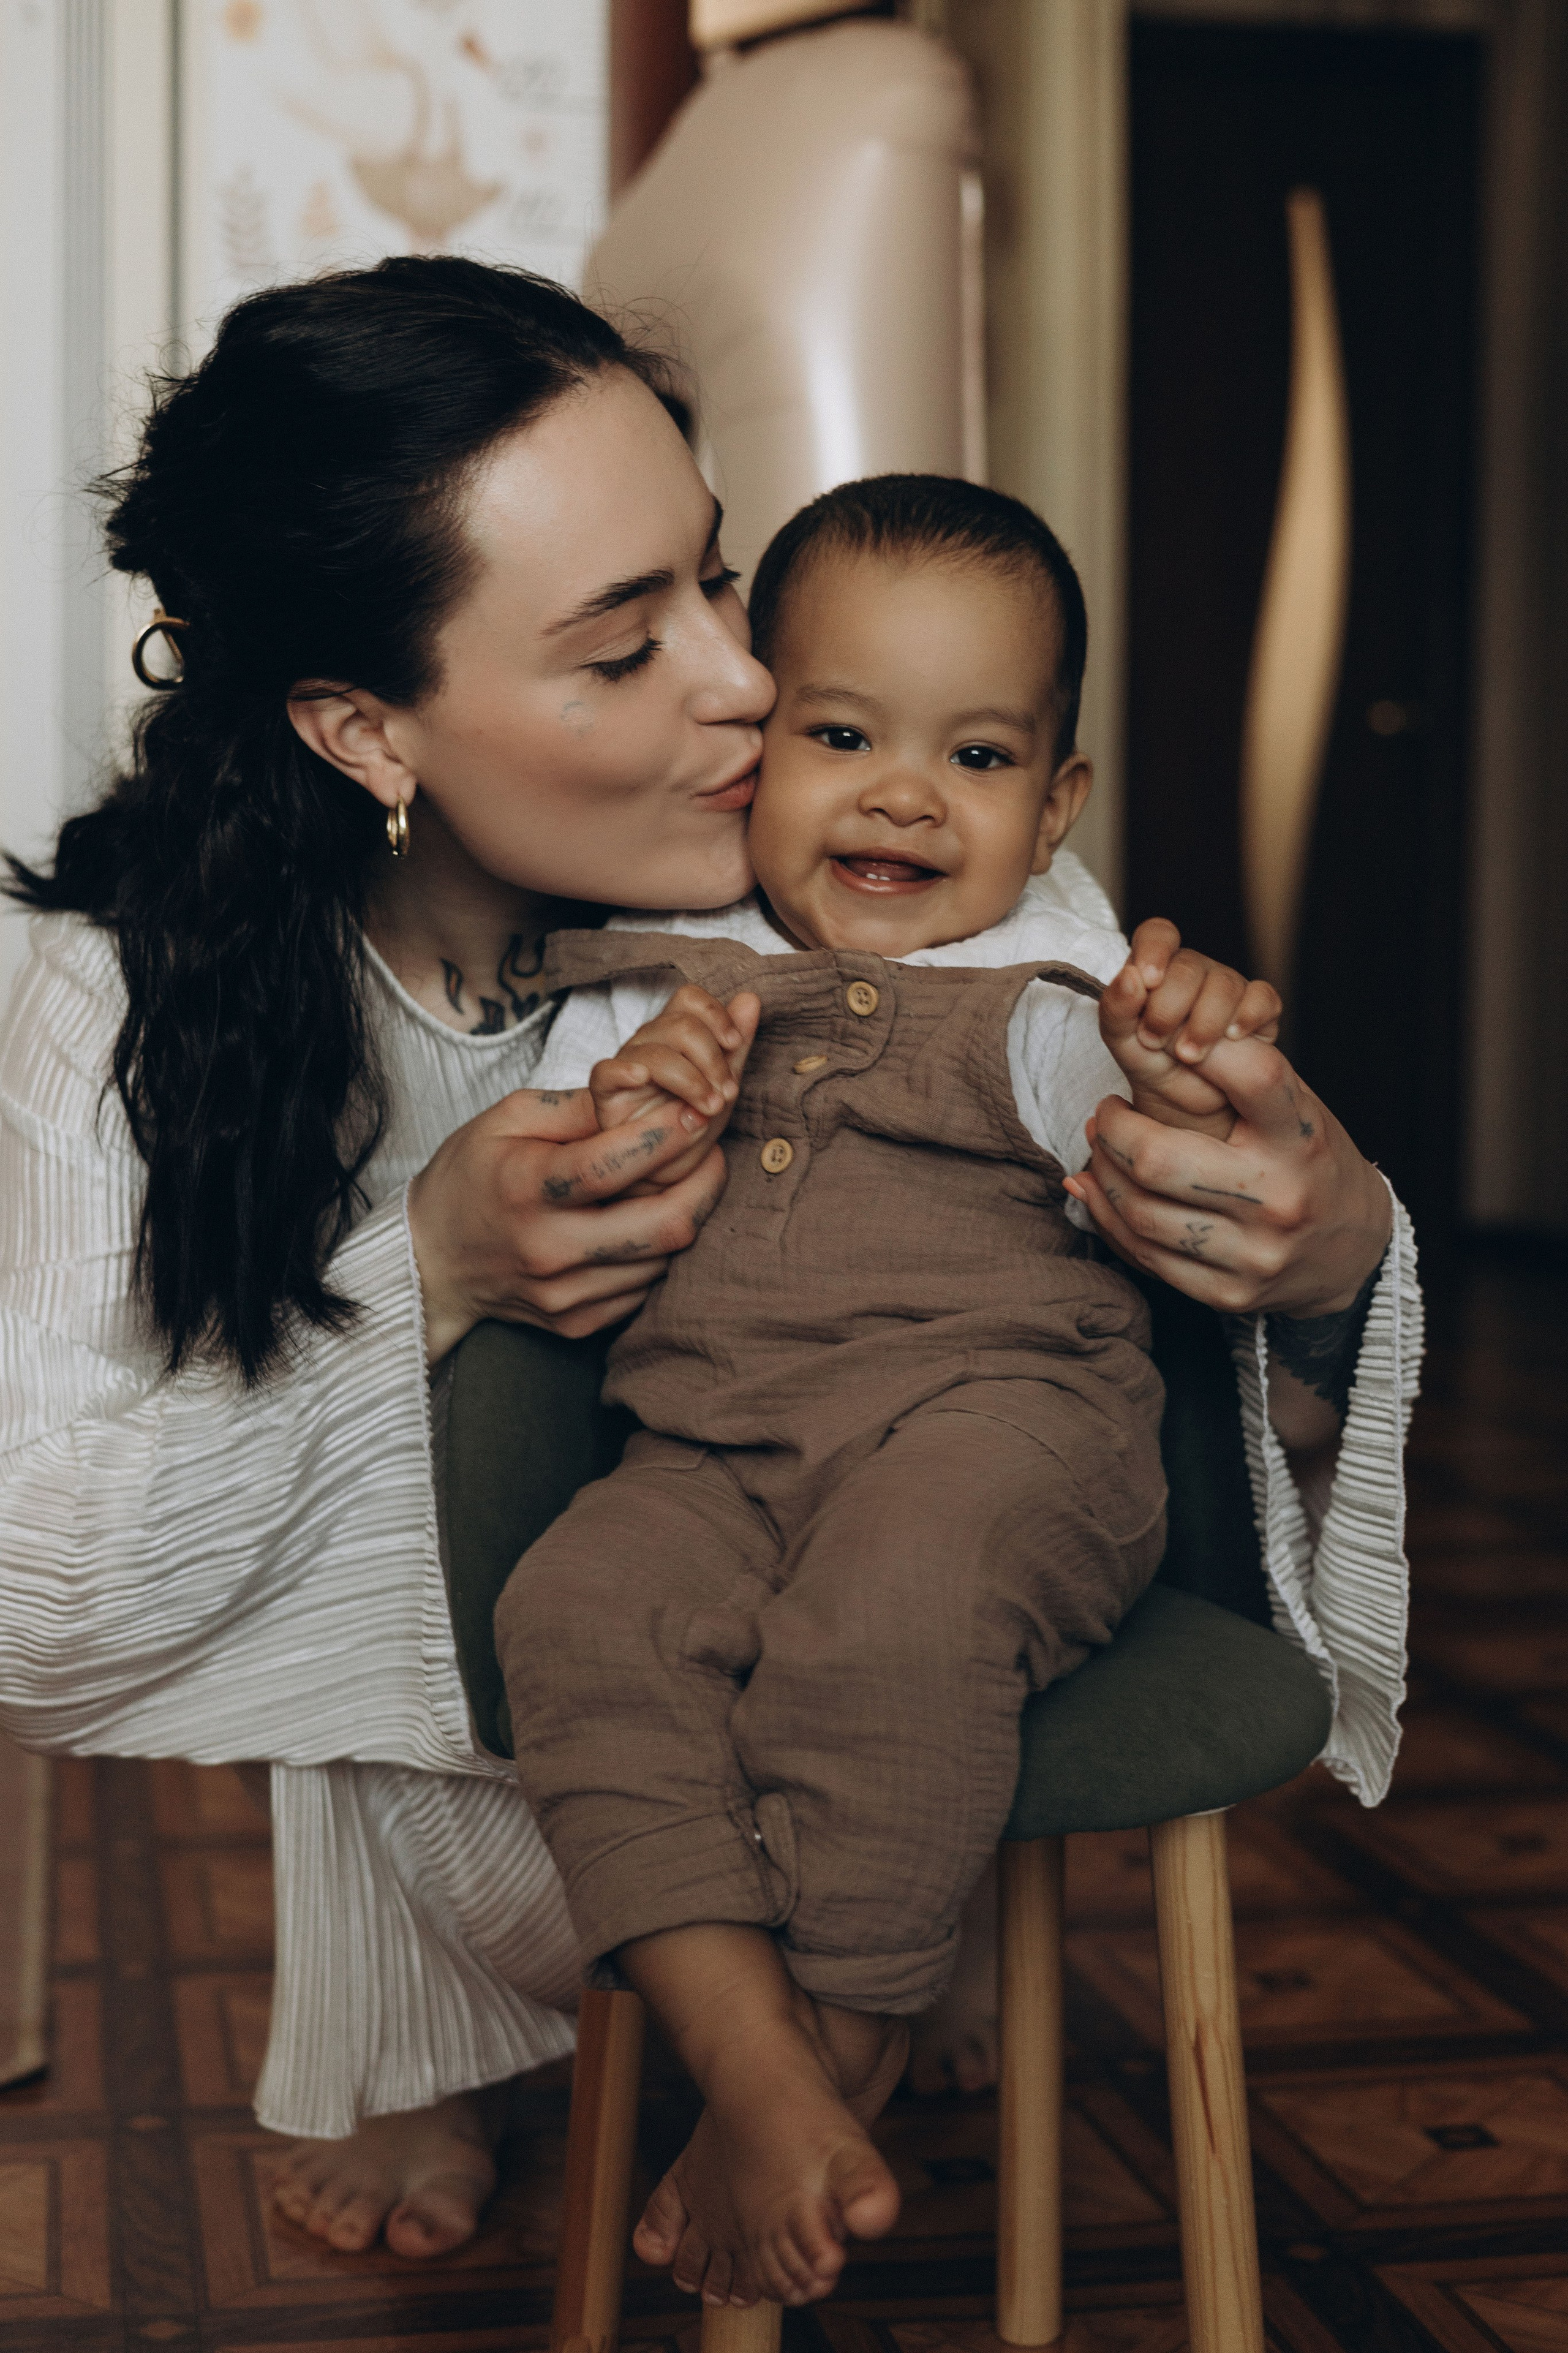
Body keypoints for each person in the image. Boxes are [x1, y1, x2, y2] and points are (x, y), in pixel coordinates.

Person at [0, 257, 1409, 2264]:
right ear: (363, 726)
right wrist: (434, 1269)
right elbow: (31, 1587)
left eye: (717, 575)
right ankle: (447, 2020)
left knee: (916, 1568)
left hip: (890, 1609)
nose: (748, 686)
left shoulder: (863, 824)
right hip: (608, 1653)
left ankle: (866, 1950)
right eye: (619, 646)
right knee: (524, 1532)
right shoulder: (111, 998)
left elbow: (1177, 1236)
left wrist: (1332, 1242)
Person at [490, 476, 1393, 2310]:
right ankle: (752, 2054)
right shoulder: (656, 982)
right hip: (710, 1454)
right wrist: (634, 1108)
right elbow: (553, 1191)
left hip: (1002, 1439)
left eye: (975, 757)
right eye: (843, 736)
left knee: (894, 1604)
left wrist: (1192, 1066)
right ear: (753, 756)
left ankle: (839, 2031)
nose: (904, 795)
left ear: (1053, 808)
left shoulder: (1054, 998)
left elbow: (1203, 1157)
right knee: (573, 1612)